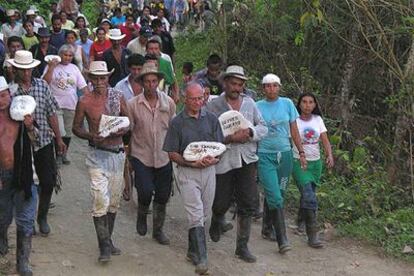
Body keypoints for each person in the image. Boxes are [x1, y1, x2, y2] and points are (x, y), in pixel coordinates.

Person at [206, 65, 268, 263]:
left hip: (247, 159)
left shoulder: (250, 103)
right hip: (223, 159)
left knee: (248, 202)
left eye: (240, 84)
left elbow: (263, 127)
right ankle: (217, 219)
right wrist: (229, 138)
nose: (236, 88)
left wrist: (250, 133)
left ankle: (242, 246)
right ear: (225, 83)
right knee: (220, 201)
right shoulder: (214, 105)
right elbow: (207, 133)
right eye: (233, 83)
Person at [163, 82, 223, 275]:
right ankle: (203, 259)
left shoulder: (212, 119)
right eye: (194, 99)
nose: (198, 102)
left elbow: (220, 147)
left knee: (204, 213)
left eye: (201, 98)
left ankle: (192, 251)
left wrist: (213, 159)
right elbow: (172, 152)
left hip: (208, 170)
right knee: (196, 213)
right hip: (187, 171)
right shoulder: (177, 122)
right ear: (185, 98)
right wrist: (191, 163)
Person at [72, 61, 128, 263]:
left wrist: (120, 129)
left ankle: (108, 239)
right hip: (97, 155)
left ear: (108, 78)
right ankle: (104, 246)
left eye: (102, 78)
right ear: (90, 79)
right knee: (99, 199)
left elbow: (129, 121)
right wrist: (90, 136)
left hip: (117, 153)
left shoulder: (117, 97)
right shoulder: (85, 101)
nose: (99, 82)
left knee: (113, 202)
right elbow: (76, 128)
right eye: (95, 78)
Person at [8, 50, 66, 237]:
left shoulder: (42, 86)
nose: (26, 74)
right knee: (25, 184)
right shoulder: (10, 92)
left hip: (43, 141)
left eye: (29, 70)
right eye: (22, 70)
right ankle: (27, 218)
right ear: (15, 69)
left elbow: (51, 113)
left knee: (47, 182)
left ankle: (42, 216)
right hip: (22, 145)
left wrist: (59, 139)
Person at [255, 73, 307, 253]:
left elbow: (294, 129)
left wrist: (300, 152)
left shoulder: (287, 104)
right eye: (268, 86)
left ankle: (267, 228)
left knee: (279, 194)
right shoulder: (256, 106)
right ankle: (282, 239)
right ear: (263, 89)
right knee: (274, 195)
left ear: (279, 87)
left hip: (284, 155)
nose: (272, 89)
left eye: (275, 85)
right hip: (264, 154)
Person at [127, 63, 176, 245]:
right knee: (145, 191)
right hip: (141, 154)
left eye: (154, 81)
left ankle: (158, 230)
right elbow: (129, 130)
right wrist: (129, 157)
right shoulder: (133, 104)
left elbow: (173, 129)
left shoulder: (168, 103)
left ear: (159, 82)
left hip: (163, 156)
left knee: (163, 195)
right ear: (141, 83)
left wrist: (175, 152)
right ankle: (142, 213)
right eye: (147, 81)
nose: (150, 85)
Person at [0, 76, 39, 276]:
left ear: (10, 94)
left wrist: (31, 126)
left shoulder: (21, 113)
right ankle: (2, 237)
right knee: (3, 217)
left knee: (25, 219)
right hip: (1, 176)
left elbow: (37, 141)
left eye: (4, 95)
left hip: (23, 174)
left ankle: (22, 262)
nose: (1, 100)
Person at [292, 92, 334, 248]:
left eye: (311, 102)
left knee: (308, 194)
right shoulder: (294, 120)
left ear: (315, 105)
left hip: (316, 164)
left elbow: (325, 140)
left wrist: (329, 155)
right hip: (299, 162)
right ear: (299, 104)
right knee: (309, 196)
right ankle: (313, 236)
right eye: (304, 101)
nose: (307, 105)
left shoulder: (318, 120)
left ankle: (300, 222)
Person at [42, 44, 88, 165]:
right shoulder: (51, 66)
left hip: (71, 105)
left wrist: (89, 100)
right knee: (59, 132)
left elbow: (83, 87)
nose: (67, 58)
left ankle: (64, 153)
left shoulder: (74, 68)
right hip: (55, 105)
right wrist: (51, 67)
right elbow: (44, 83)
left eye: (70, 55)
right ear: (59, 54)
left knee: (67, 133)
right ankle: (57, 153)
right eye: (65, 55)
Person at [145, 38, 179, 103]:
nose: (154, 51)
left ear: (159, 50)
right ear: (146, 50)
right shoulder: (142, 63)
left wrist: (176, 94)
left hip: (163, 98)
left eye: (156, 49)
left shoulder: (165, 63)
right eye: (151, 49)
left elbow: (173, 80)